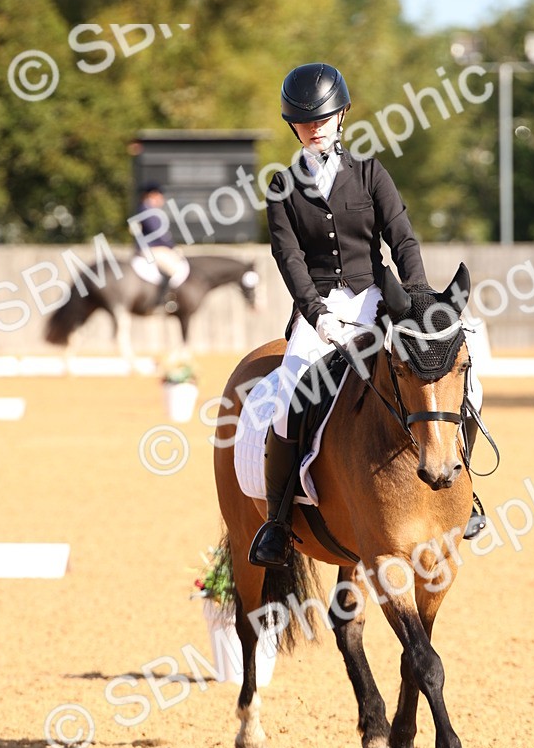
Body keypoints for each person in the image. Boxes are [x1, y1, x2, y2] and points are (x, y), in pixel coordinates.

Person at [248, 62, 486, 569]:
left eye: (325, 118)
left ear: (342, 117)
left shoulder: (371, 173)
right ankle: (277, 520)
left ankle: (464, 493)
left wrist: (420, 301)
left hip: (380, 302)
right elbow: (289, 260)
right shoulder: (281, 188)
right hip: (321, 314)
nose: (316, 127)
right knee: (292, 395)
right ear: (293, 124)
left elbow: (402, 238)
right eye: (305, 121)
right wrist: (316, 314)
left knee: (448, 374)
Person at [132, 184, 190, 289]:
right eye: (159, 195)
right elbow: (158, 233)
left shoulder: (151, 210)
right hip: (152, 249)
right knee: (175, 269)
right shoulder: (146, 210)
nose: (161, 199)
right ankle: (167, 299)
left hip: (154, 248)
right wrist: (172, 246)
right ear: (152, 195)